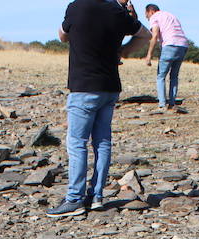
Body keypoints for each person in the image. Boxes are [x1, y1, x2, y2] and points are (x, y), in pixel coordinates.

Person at [48, 0, 145, 217]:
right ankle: (96, 196)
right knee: (102, 142)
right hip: (110, 87)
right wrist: (123, 51)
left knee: (77, 142)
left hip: (83, 86)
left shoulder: (76, 7)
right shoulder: (116, 11)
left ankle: (74, 199)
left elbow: (62, 36)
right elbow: (144, 34)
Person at [142, 4, 188, 110]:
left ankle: (162, 104)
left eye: (147, 15)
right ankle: (172, 102)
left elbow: (154, 36)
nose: (147, 18)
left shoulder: (155, 17)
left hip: (170, 44)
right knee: (174, 76)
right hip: (183, 45)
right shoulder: (170, 15)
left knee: (161, 76)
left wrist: (149, 55)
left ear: (151, 12)